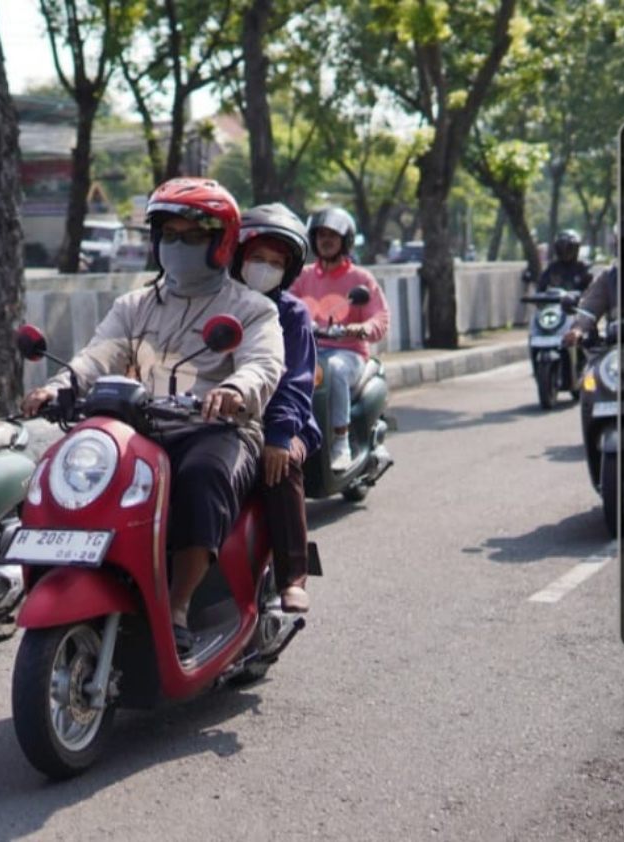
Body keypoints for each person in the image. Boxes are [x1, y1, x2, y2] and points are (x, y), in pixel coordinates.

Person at [22, 177, 283, 657]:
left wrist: (232, 389)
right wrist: (58, 387)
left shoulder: (251, 309)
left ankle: (179, 606)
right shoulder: (135, 305)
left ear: (221, 243)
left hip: (216, 429)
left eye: (193, 236)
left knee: (202, 477)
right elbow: (97, 356)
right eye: (170, 235)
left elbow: (262, 366)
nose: (178, 247)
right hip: (143, 427)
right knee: (72, 468)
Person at [231, 203, 321, 613]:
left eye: (274, 263)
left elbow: (296, 381)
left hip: (287, 419)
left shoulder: (292, 314)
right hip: (225, 419)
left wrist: (281, 434)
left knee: (280, 468)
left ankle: (292, 575)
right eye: (256, 259)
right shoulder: (217, 301)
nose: (264, 268)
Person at [291, 207, 390, 473]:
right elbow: (284, 305)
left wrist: (357, 329)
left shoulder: (360, 279)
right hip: (309, 352)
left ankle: (340, 442)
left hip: (349, 354)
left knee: (333, 370)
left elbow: (379, 318)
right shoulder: (303, 277)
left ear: (345, 240)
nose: (326, 240)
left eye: (333, 235)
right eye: (321, 234)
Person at [538, 229, 592, 293]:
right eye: (561, 248)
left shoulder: (583, 268)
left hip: (578, 302)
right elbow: (541, 288)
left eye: (569, 248)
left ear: (576, 249)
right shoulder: (553, 268)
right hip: (555, 302)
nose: (564, 252)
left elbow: (592, 292)